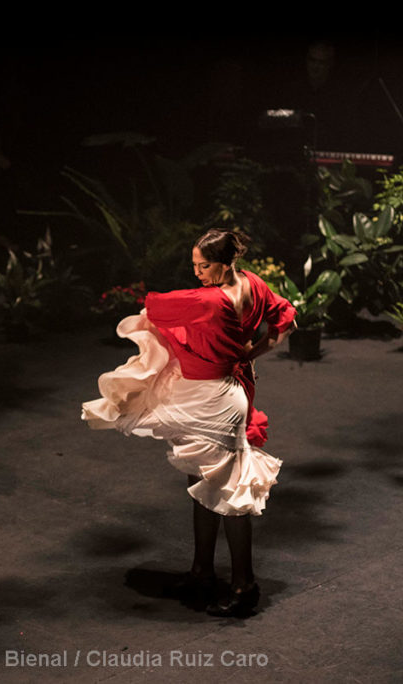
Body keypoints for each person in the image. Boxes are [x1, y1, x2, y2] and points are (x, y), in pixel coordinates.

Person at [82, 229, 296, 617]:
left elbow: (153, 308)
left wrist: (237, 353)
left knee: (228, 488)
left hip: (215, 397)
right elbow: (286, 323)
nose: (197, 273)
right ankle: (202, 571)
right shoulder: (253, 284)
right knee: (203, 478)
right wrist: (250, 354)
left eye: (204, 265)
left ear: (226, 263)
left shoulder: (208, 301)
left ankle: (244, 584)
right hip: (223, 389)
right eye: (194, 265)